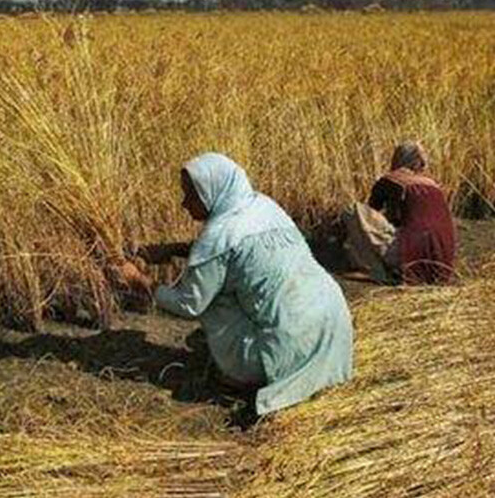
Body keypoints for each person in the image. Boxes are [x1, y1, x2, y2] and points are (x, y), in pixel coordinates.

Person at [110, 153, 354, 417]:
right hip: (334, 326)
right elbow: (243, 253)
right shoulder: (264, 206)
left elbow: (189, 304)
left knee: (213, 299)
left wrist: (138, 281)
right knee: (229, 284)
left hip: (292, 344)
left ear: (212, 192)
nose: (184, 203)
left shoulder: (217, 237)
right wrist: (174, 249)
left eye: (191, 195)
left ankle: (242, 375)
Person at [340, 142, 457, 285]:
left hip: (410, 256)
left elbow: (372, 210)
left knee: (352, 211)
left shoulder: (390, 180)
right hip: (443, 262)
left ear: (397, 158)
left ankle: (378, 271)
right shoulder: (433, 184)